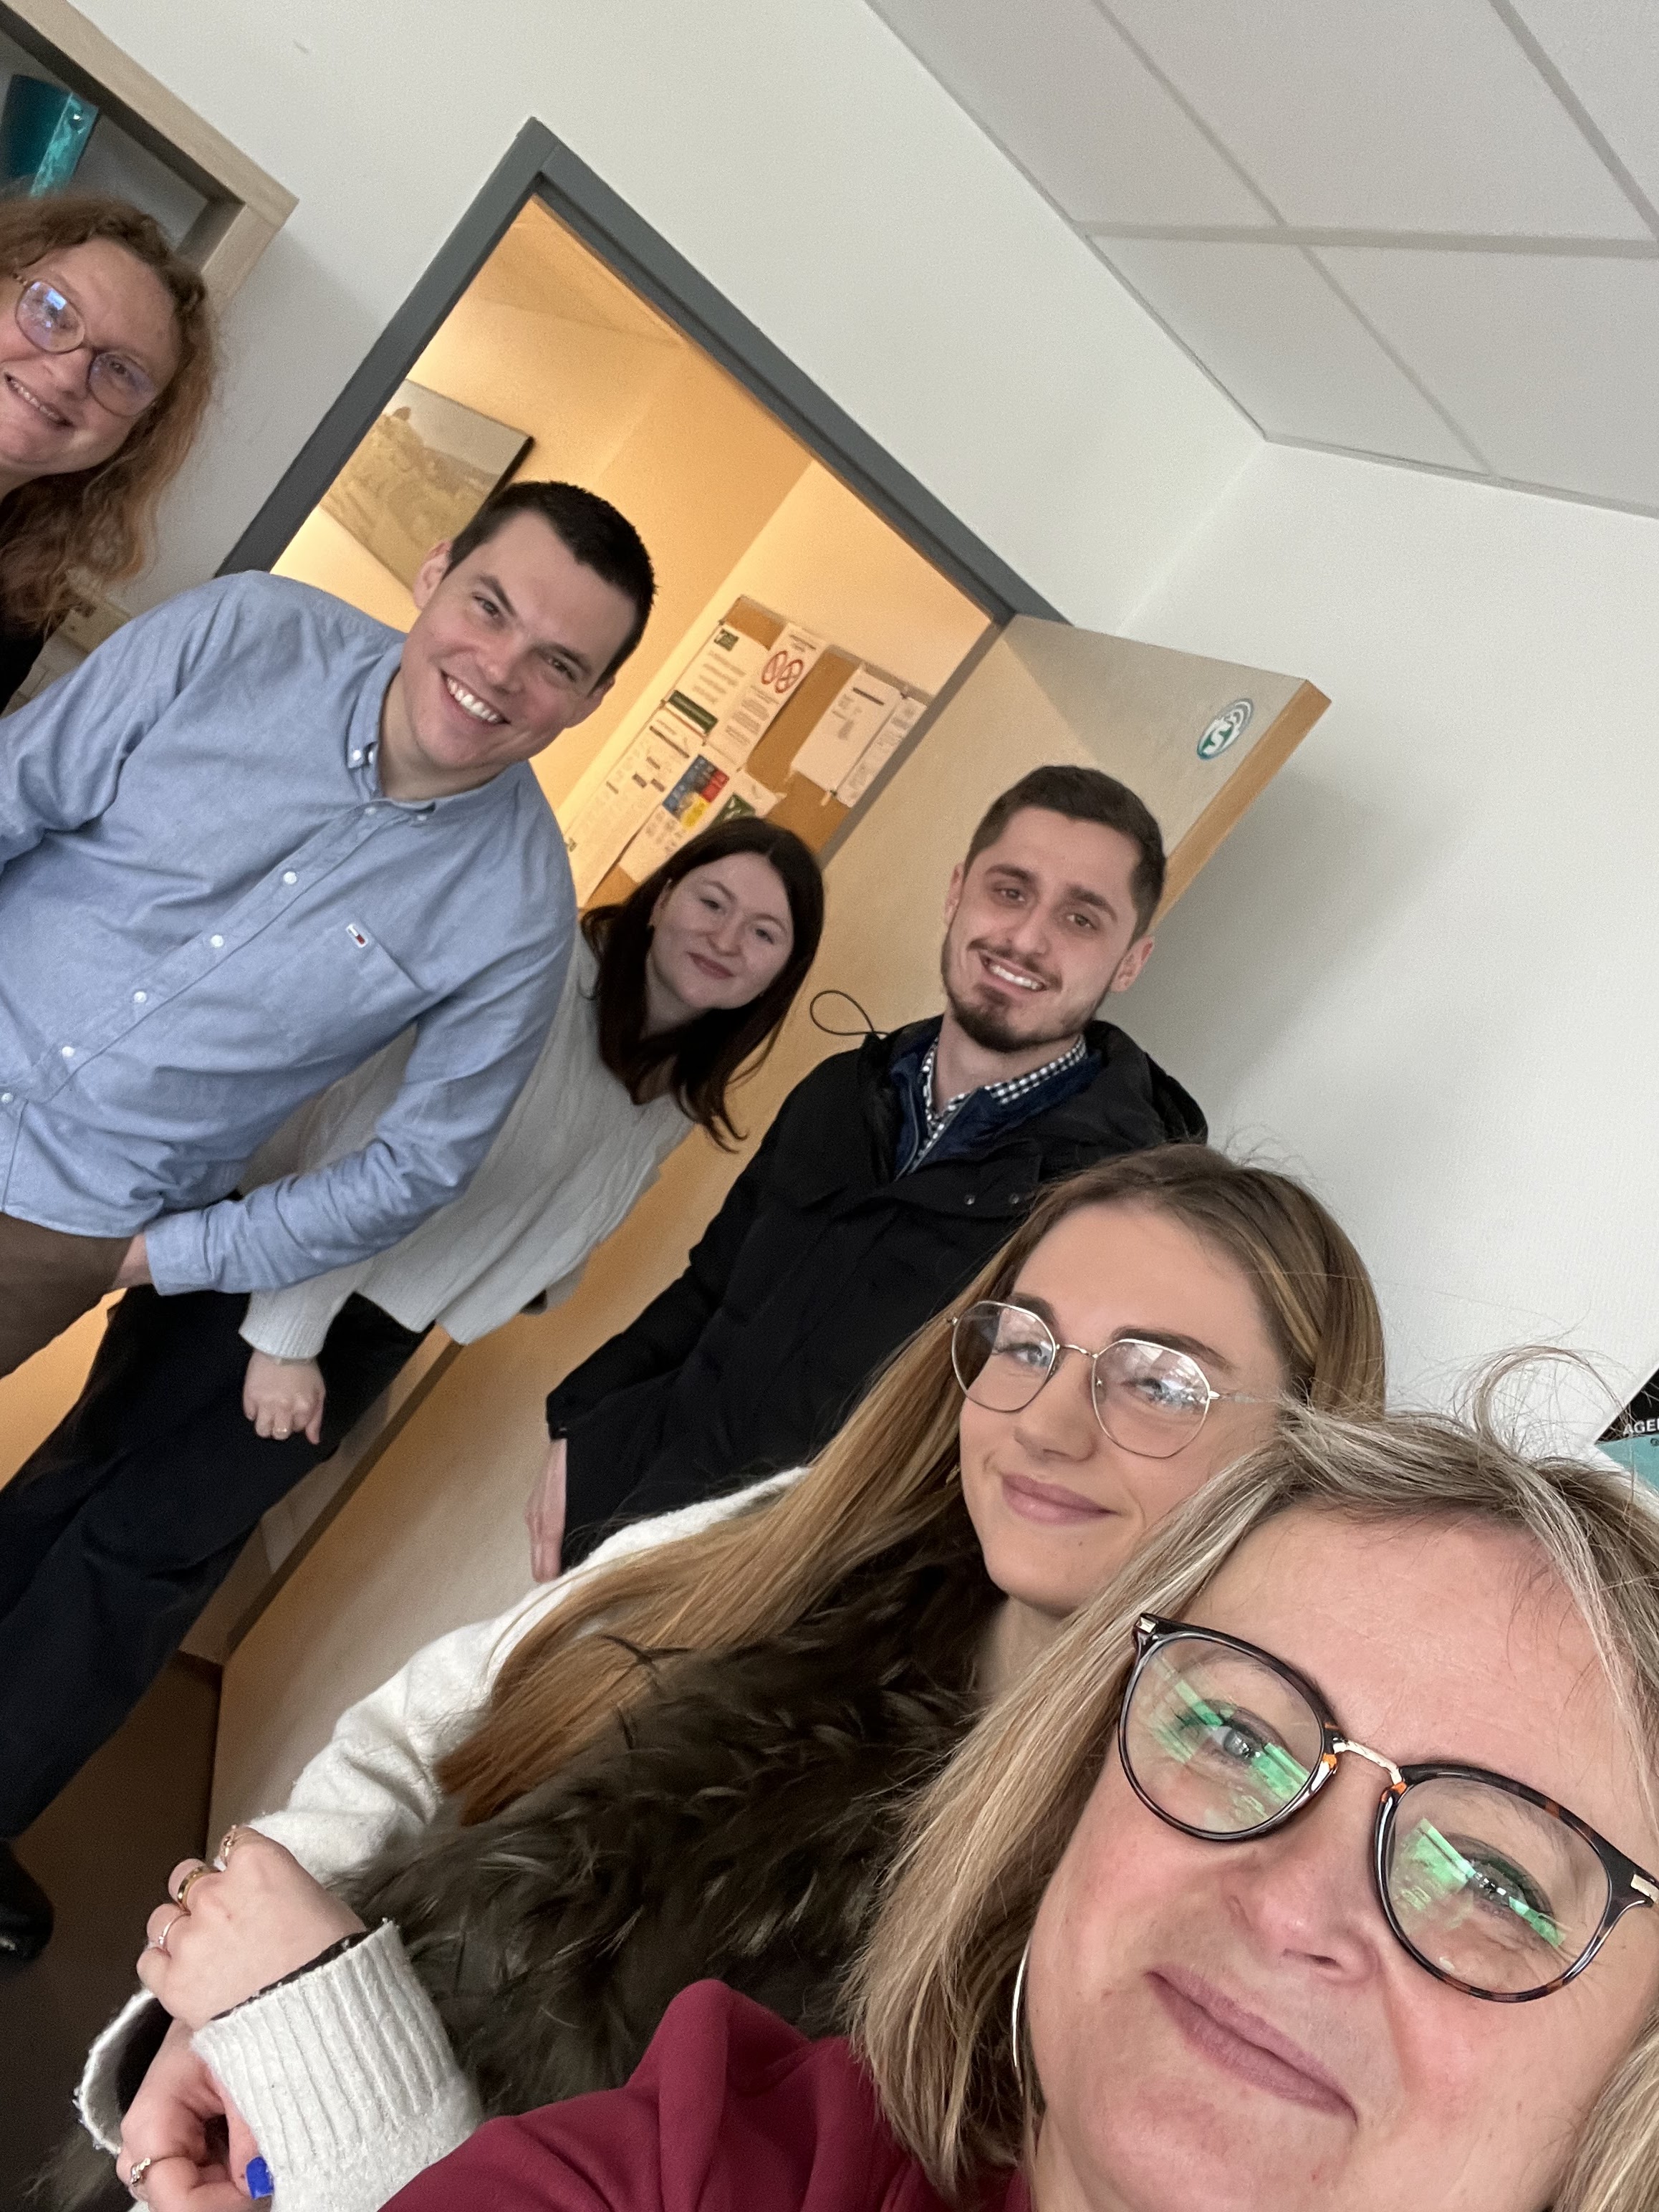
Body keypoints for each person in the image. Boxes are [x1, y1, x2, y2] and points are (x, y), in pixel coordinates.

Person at [70, 1146, 1385, 2210]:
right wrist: (216, 2024)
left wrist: (320, 2061)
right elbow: (420, 1733)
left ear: (1302, 1455)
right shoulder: (807, 1534)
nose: (1043, 1421)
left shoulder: (1165, 1904)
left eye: (1160, 1382)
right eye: (1026, 1342)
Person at [393, 1394, 1659, 2212]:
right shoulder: (707, 2160)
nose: (1288, 1904)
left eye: (1491, 1880)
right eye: (1235, 1734)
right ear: (1067, 1791)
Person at [0, 817, 823, 1962]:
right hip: (286, 1281)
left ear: (784, 971)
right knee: (127, 1556)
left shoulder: (672, 1091)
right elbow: (369, 1139)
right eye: (713, 900)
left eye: (765, 932)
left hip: (370, 1324)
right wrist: (289, 1333)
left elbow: (552, 1223)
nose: (727, 938)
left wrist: (519, 1279)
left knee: (97, 1517)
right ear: (665, 888)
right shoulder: (545, 978)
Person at [0, 475, 655, 1380]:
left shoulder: (520, 913)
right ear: (435, 572)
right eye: (490, 607)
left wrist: (158, 1258)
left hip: (58, 1227)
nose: (501, 670)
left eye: (559, 665)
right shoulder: (243, 631)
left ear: (591, 700)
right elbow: (15, 794)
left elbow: (417, 1169)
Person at [528, 761, 1207, 1580]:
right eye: (1010, 890)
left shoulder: (1111, 1203)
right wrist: (582, 1427)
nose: (1027, 939)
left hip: (796, 1597)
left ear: (1130, 961)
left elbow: (1018, 1465)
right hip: (629, 1524)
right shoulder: (838, 1092)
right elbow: (709, 1289)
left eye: (1080, 918)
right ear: (956, 893)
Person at [0, 193, 216, 706]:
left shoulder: (25, 609)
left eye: (122, 370)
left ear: (139, 432)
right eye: (53, 310)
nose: (69, 374)